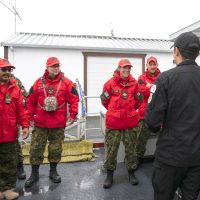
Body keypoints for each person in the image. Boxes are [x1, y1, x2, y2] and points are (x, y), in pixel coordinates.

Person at [145, 32, 200, 200]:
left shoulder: (165, 79)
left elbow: (152, 123)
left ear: (176, 51)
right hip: (197, 157)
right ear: (197, 53)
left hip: (170, 157)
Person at [25, 56, 79, 188]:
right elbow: (30, 101)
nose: (56, 68)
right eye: (53, 66)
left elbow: (74, 99)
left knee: (55, 149)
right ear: (47, 67)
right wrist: (30, 117)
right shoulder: (38, 83)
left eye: (57, 66)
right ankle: (34, 173)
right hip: (40, 123)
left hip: (58, 123)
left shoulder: (67, 83)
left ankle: (53, 172)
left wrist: (73, 114)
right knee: (36, 148)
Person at [100, 58, 142, 189]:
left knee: (131, 150)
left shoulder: (135, 84)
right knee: (112, 150)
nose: (126, 70)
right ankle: (110, 174)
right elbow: (104, 101)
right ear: (119, 68)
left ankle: (131, 172)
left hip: (130, 122)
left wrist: (128, 111)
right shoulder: (109, 83)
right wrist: (114, 112)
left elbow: (139, 101)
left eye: (129, 68)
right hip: (114, 123)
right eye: (124, 67)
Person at [0, 58, 29, 200]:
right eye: (3, 69)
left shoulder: (15, 88)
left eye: (9, 70)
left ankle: (6, 190)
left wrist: (25, 125)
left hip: (10, 133)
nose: (7, 72)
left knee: (9, 163)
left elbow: (21, 110)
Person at [135, 56, 160, 166]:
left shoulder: (163, 76)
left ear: (157, 65)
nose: (152, 66)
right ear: (147, 66)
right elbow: (141, 91)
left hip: (159, 114)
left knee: (164, 139)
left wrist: (150, 86)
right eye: (150, 64)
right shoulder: (141, 77)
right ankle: (137, 159)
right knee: (140, 139)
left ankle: (160, 159)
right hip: (144, 114)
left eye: (154, 64)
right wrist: (155, 88)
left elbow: (163, 92)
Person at [10, 74, 28, 180]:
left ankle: (19, 167)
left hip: (11, 120)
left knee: (14, 144)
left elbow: (24, 96)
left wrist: (24, 123)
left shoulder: (15, 80)